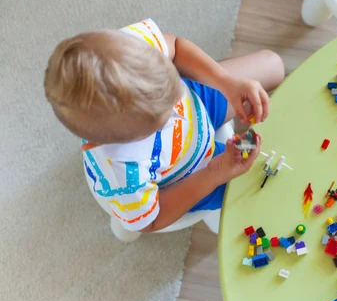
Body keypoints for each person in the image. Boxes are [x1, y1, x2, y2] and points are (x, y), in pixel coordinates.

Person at [44, 19, 285, 232]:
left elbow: (176, 47)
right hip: (195, 173)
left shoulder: (123, 51)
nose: (175, 108)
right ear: (133, 137)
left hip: (199, 100)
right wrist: (216, 171)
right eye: (165, 113)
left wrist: (226, 82)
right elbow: (152, 220)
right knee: (274, 181)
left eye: (172, 85)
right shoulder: (123, 175)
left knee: (274, 65)